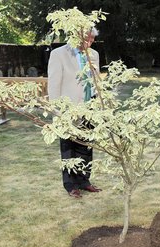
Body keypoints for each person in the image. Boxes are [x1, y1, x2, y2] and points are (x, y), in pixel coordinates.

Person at [47, 28, 102, 198]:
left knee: (86, 147)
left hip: (89, 109)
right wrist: (57, 113)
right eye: (87, 38)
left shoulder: (94, 54)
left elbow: (96, 82)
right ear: (77, 35)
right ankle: (70, 185)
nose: (90, 42)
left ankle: (84, 181)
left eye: (93, 39)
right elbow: (54, 85)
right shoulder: (59, 54)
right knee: (68, 148)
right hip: (68, 111)